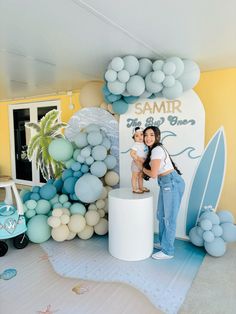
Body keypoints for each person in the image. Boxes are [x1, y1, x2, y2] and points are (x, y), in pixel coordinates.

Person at [142, 126, 185, 260]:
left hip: (171, 183)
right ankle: (163, 243)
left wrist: (141, 167)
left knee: (169, 218)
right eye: (146, 135)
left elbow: (153, 174)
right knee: (161, 215)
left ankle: (168, 251)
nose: (148, 138)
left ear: (157, 137)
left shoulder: (157, 150)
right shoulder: (153, 150)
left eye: (151, 135)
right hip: (166, 183)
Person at [130, 127, 150, 194]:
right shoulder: (136, 145)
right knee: (135, 176)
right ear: (134, 138)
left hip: (143, 163)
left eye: (141, 134)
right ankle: (134, 188)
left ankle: (141, 187)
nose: (140, 137)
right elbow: (132, 153)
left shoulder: (145, 144)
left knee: (141, 176)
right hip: (136, 163)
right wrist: (138, 158)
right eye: (137, 136)